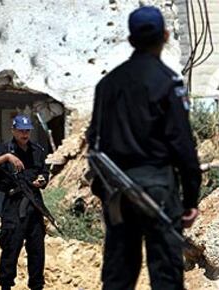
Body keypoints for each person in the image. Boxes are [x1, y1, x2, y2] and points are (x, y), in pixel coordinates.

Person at [86, 6, 201, 290]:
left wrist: (104, 191)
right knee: (165, 275)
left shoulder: (106, 85)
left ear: (131, 39)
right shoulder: (167, 82)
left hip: (117, 191)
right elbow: (183, 146)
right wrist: (190, 199)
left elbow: (94, 143)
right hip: (158, 189)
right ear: (165, 35)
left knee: (118, 276)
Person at [0, 114, 49, 290]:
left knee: (37, 250)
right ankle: (5, 286)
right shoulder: (4, 149)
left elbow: (44, 173)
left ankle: (37, 286)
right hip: (14, 204)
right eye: (21, 131)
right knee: (11, 246)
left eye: (27, 131)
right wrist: (6, 158)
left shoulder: (37, 151)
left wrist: (41, 180)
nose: (24, 134)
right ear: (13, 130)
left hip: (33, 203)